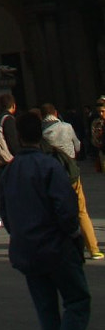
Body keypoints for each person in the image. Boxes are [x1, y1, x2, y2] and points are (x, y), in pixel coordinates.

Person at [0, 107, 91, 330]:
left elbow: (5, 213)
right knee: (78, 301)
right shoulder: (49, 166)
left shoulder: (10, 170)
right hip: (56, 247)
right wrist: (74, 235)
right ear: (39, 135)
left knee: (47, 310)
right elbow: (66, 210)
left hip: (27, 249)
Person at [41, 103, 105, 262]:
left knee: (58, 213)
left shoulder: (41, 132)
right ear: (55, 113)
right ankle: (93, 248)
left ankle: (68, 248)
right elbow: (77, 146)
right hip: (72, 173)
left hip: (54, 177)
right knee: (81, 211)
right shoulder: (66, 127)